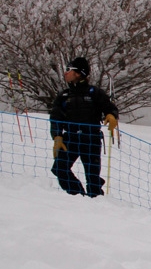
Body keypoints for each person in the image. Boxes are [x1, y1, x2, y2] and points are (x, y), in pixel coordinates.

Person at [50, 57, 119, 197]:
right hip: (71, 138)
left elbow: (110, 108)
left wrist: (111, 115)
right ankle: (78, 196)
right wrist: (57, 136)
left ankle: (97, 203)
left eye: (69, 70)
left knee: (92, 178)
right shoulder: (64, 95)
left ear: (79, 73)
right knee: (59, 169)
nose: (65, 73)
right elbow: (55, 118)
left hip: (91, 139)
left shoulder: (94, 93)